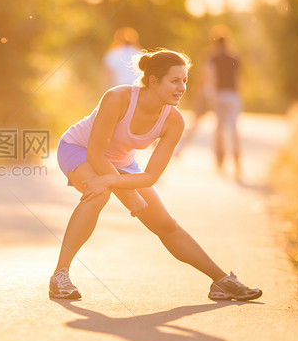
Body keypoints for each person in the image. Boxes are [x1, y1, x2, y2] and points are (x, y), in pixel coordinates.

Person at [50, 49, 262, 301]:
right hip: (79, 150)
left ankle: (222, 281)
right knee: (98, 194)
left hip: (121, 164)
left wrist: (124, 188)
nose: (181, 87)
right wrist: (129, 196)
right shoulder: (118, 98)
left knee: (166, 224)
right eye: (174, 80)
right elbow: (96, 155)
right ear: (153, 80)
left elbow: (150, 176)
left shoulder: (174, 121)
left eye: (184, 80)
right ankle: (59, 275)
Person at [206, 26, 243, 178]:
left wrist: (211, 95)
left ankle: (220, 160)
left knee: (219, 128)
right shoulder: (235, 56)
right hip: (233, 94)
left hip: (219, 94)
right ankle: (237, 162)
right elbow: (239, 78)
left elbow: (211, 77)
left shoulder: (212, 57)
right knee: (234, 129)